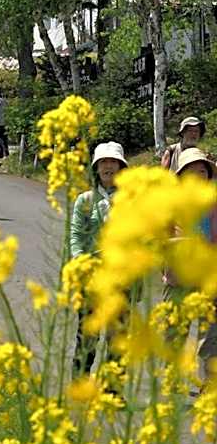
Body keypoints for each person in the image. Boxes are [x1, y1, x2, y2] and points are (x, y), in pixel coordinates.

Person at [70, 141, 127, 375]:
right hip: (92, 276)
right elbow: (75, 235)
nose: (108, 166)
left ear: (122, 167)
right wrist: (80, 260)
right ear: (96, 167)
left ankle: (112, 390)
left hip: (122, 277)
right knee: (87, 336)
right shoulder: (84, 200)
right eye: (103, 162)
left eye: (113, 161)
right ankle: (80, 383)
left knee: (119, 337)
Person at [163, 147, 217, 386]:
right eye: (191, 171)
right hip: (179, 272)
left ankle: (210, 382)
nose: (198, 175)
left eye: (202, 171)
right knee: (175, 329)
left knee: (211, 332)